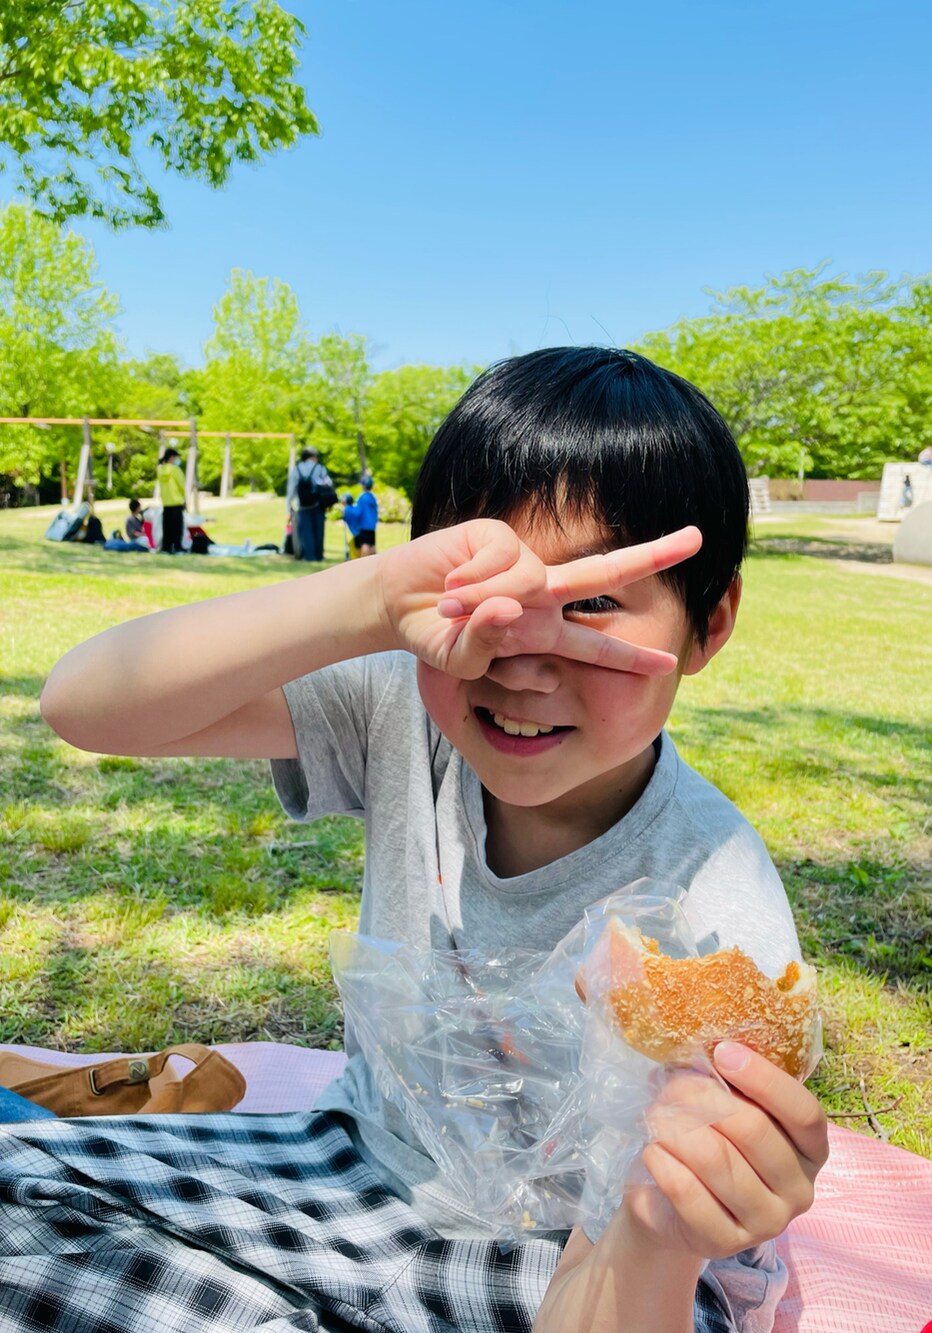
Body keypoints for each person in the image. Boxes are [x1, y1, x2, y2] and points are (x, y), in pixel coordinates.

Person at [34, 347, 827, 1333]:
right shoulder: (400, 711)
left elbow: (629, 1278)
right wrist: (364, 605)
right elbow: (87, 705)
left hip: (582, 1267)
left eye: (588, 604)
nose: (524, 662)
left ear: (707, 626)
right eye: (487, 604)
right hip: (352, 1167)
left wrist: (659, 1228)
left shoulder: (715, 916)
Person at [288, 445, 332, 562]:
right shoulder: (320, 468)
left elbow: (291, 489)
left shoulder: (297, 469)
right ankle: (319, 555)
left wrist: (288, 507)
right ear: (313, 456)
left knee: (306, 531)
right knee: (319, 530)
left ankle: (309, 555)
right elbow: (328, 483)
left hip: (303, 506)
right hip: (318, 504)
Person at [157, 446, 187, 553]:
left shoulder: (161, 470)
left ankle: (167, 547)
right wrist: (185, 499)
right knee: (177, 528)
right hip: (176, 502)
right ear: (171, 457)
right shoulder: (175, 470)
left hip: (166, 503)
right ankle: (177, 546)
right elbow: (182, 486)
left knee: (167, 528)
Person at [354, 472, 379, 555]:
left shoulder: (362, 497)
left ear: (364, 486)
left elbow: (358, 512)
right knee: (372, 544)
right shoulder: (373, 497)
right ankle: (374, 562)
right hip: (372, 526)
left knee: (365, 544)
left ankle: (365, 561)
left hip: (364, 525)